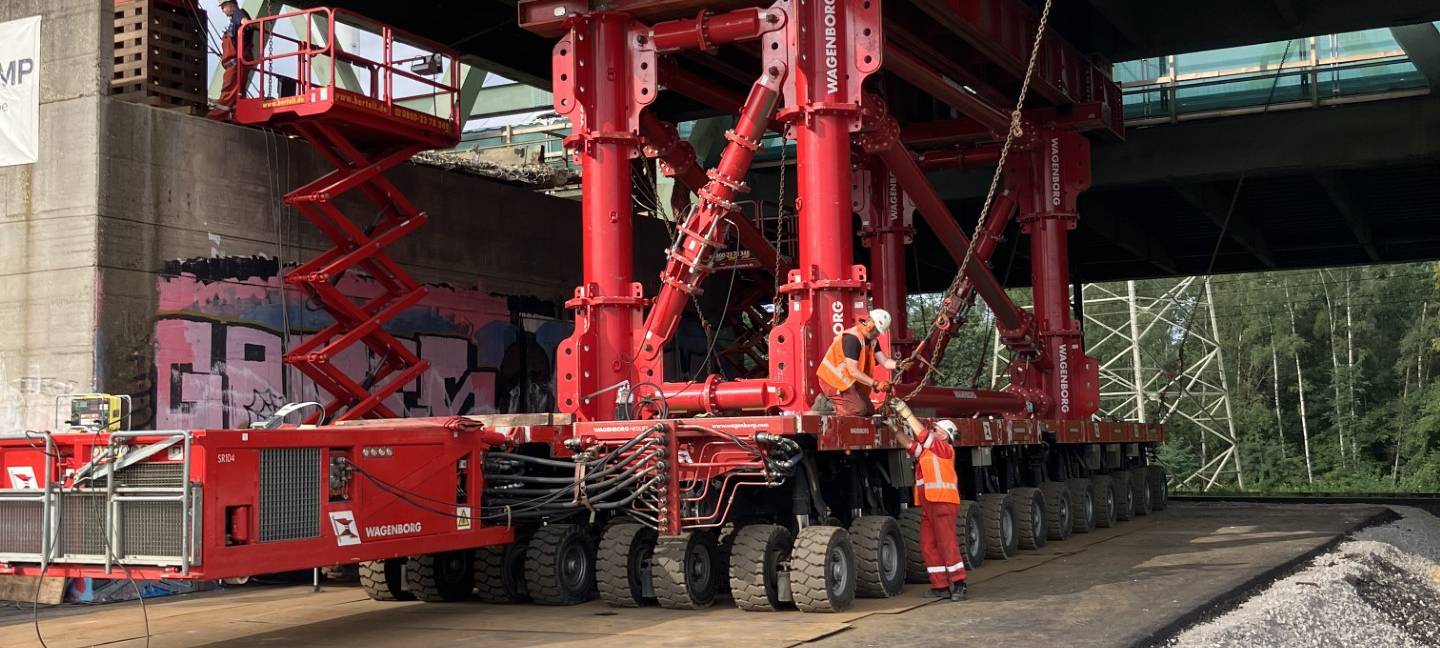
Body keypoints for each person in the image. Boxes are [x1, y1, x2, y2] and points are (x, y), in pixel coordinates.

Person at [891, 398, 968, 601]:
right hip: (930, 504)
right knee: (928, 544)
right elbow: (911, 445)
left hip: (943, 503)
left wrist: (907, 414)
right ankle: (940, 586)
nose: (932, 431)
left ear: (945, 435)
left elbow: (923, 436)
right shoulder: (929, 451)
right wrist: (894, 429)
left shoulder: (945, 449)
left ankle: (959, 583)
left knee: (947, 543)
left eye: (936, 430)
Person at [815, 308, 899, 416]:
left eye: (879, 332)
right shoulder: (853, 339)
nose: (877, 334)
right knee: (859, 410)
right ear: (870, 324)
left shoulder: (872, 341)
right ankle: (827, 403)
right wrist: (876, 384)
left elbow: (884, 361)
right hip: (832, 380)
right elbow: (853, 371)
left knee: (869, 411)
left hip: (847, 381)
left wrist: (899, 365)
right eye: (877, 330)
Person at [209, 0, 253, 119]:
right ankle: (237, 115)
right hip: (237, 63)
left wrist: (246, 24)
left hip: (236, 64)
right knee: (238, 93)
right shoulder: (235, 19)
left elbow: (246, 23)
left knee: (229, 90)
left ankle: (217, 115)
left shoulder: (238, 14)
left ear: (230, 5)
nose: (222, 10)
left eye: (223, 7)